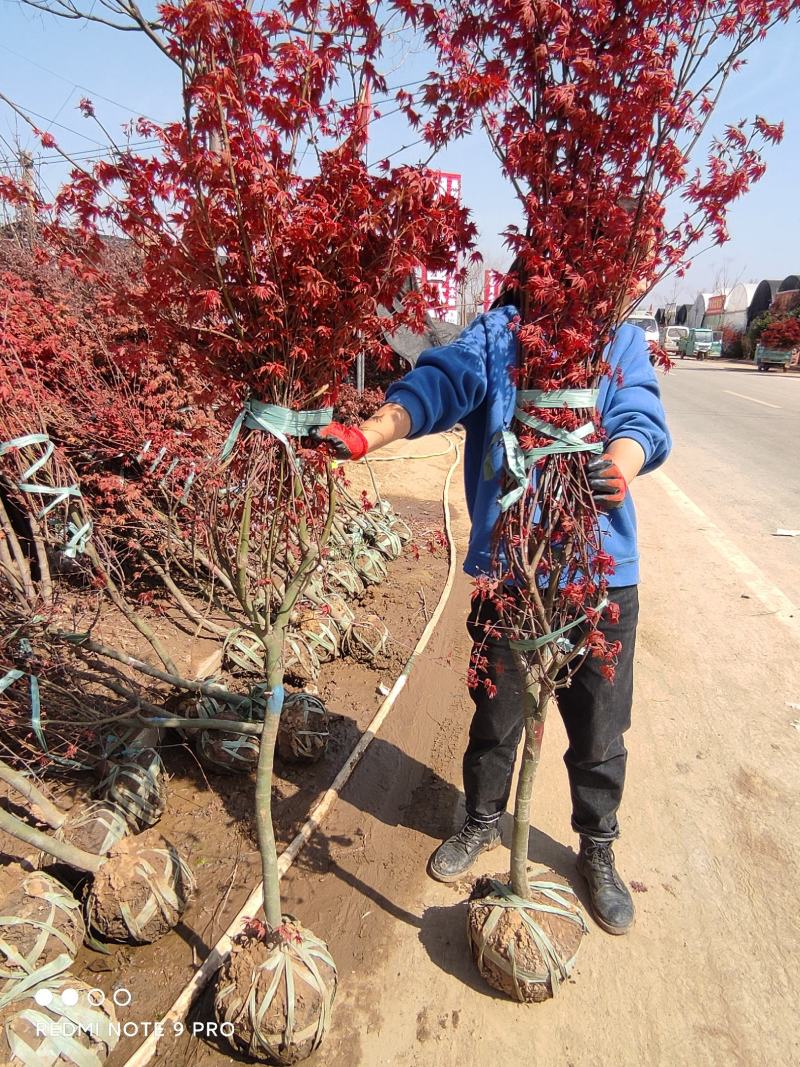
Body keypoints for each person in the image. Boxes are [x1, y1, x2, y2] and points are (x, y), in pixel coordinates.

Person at [310, 291, 671, 936]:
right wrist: (373, 432)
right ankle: (480, 819)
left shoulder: (615, 337)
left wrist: (620, 464)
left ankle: (597, 844)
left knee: (599, 730)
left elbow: (640, 415)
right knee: (498, 712)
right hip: (514, 568)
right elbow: (439, 384)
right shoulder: (499, 336)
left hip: (599, 575)